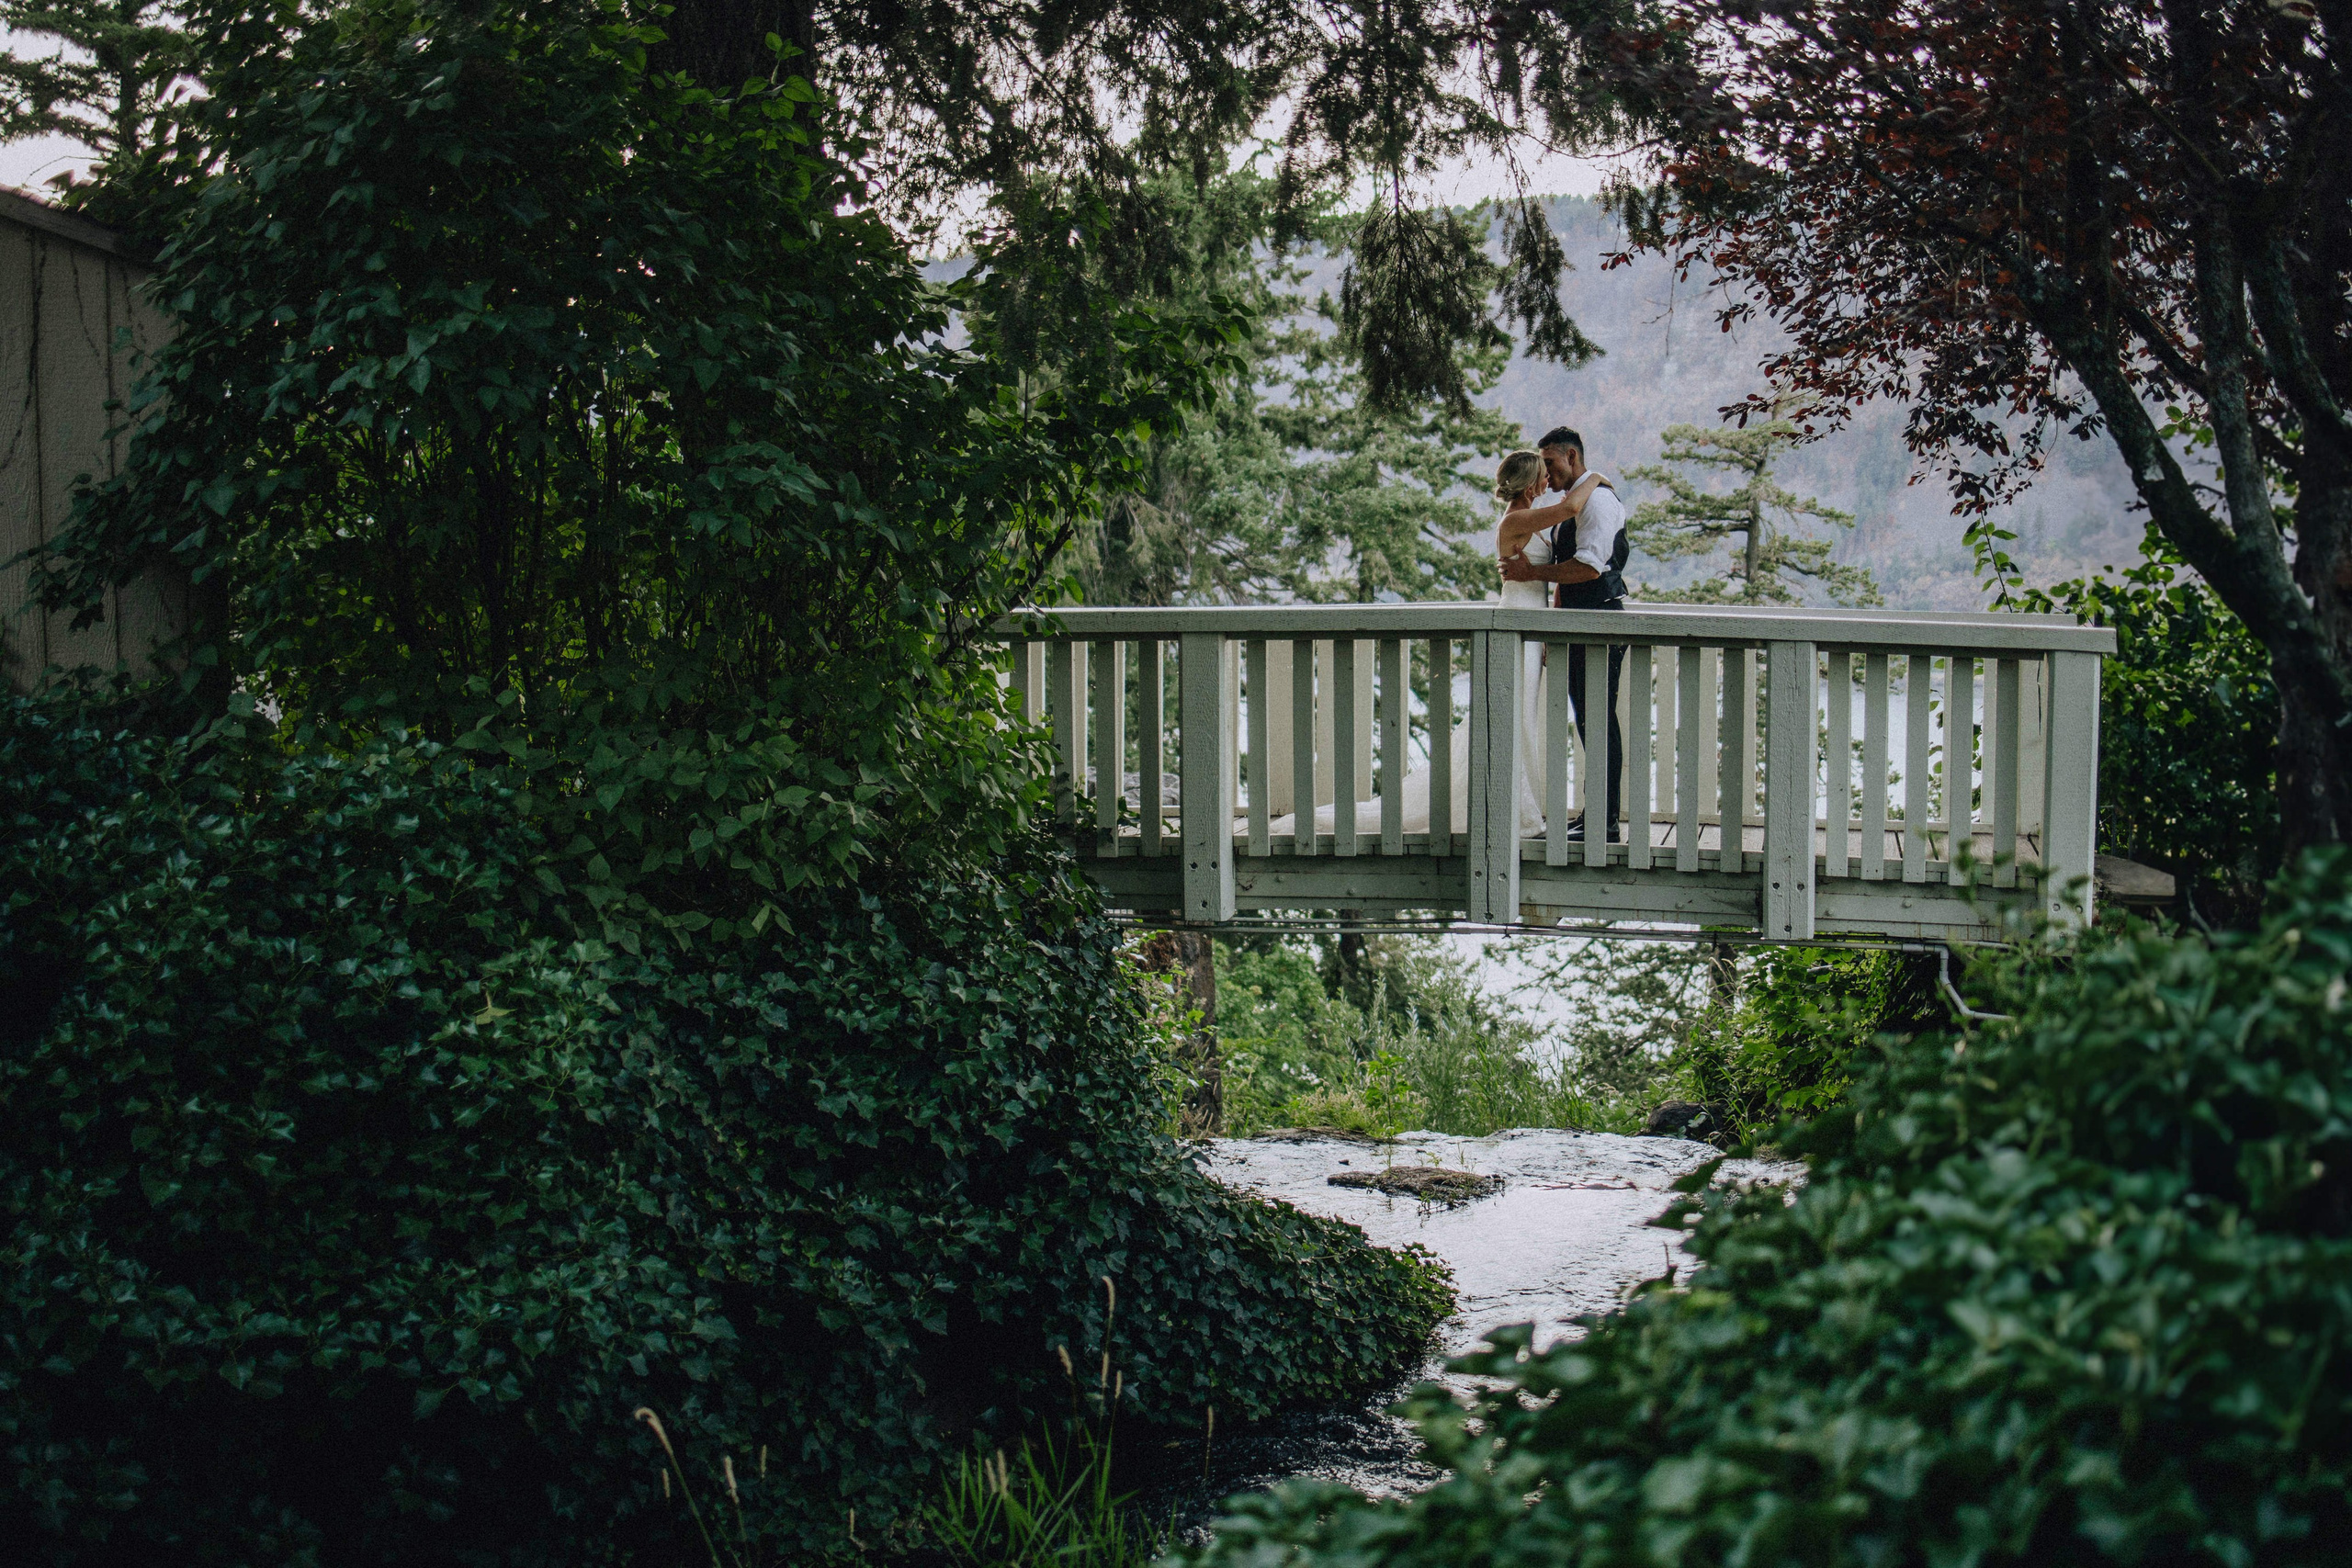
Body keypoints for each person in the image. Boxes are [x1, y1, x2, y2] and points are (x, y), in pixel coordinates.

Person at [1499, 425, 1628, 841]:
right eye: (1540, 467)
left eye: (1551, 462)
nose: (1546, 473)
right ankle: (1594, 817)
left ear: (1571, 456)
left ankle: (1604, 823)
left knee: (1597, 721)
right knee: (1587, 721)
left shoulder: (1599, 501)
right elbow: (1563, 573)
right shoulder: (1565, 505)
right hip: (1565, 626)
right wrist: (1554, 625)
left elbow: (1588, 568)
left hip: (1598, 624)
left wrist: (1531, 574)